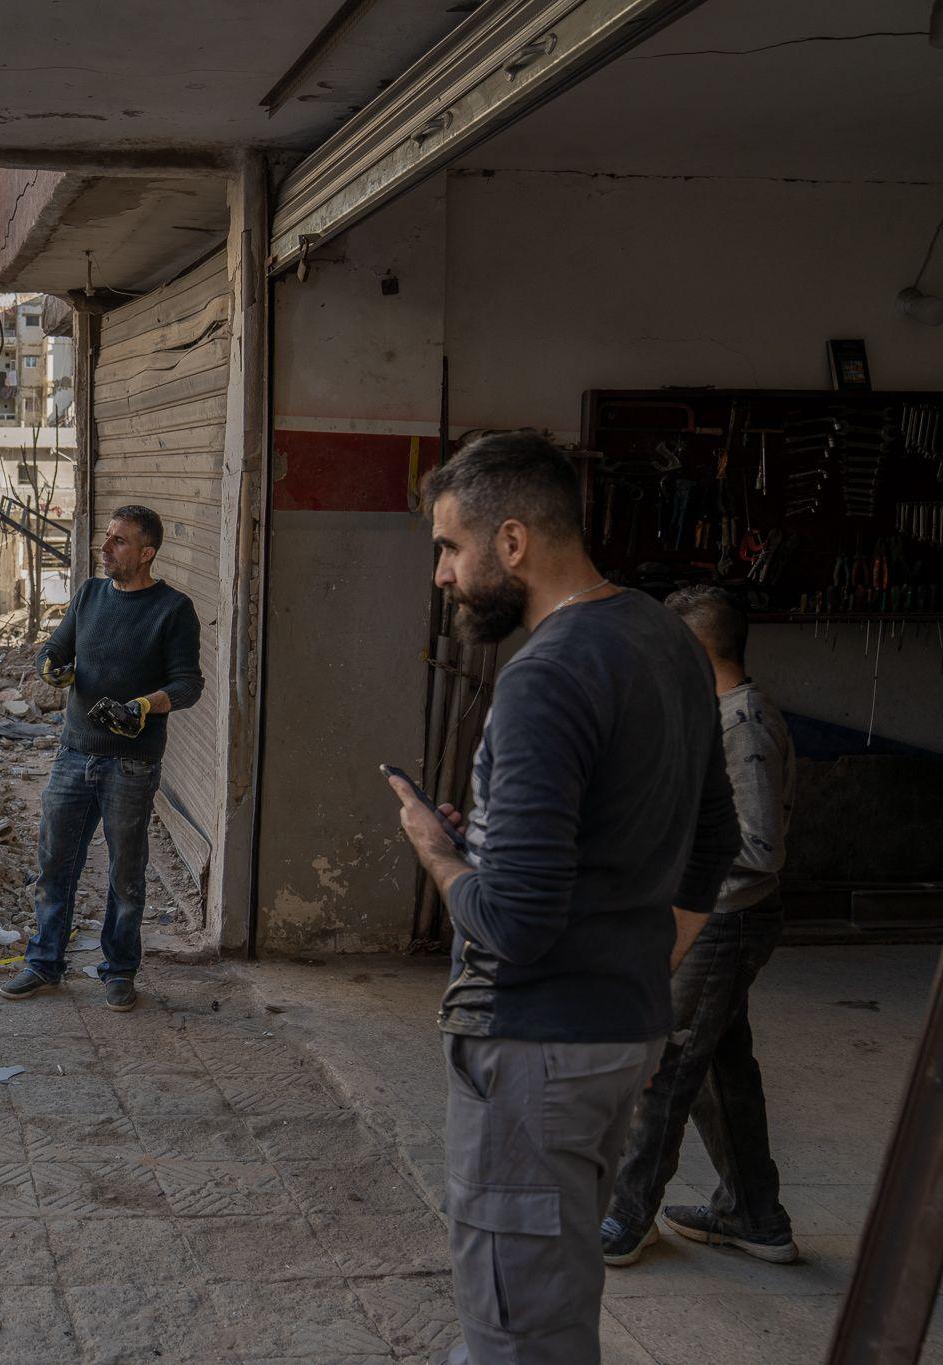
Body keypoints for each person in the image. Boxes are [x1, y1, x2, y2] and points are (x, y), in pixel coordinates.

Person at [388, 432, 740, 1365]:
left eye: (450, 548)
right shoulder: (667, 638)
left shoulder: (545, 677)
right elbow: (714, 843)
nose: (442, 575)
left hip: (536, 1049)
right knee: (543, 1301)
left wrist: (438, 854)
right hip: (617, 1031)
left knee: (519, 1335)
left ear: (512, 543)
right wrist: (639, 953)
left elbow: (516, 924)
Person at [600, 584, 798, 1266]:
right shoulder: (719, 712)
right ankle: (754, 1213)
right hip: (716, 918)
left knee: (667, 1066)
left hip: (726, 921)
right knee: (721, 1069)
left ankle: (626, 1216)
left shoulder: (743, 724)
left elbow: (762, 848)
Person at [0, 505, 202, 1012]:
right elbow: (56, 648)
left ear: (146, 553)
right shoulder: (89, 595)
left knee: (125, 874)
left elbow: (188, 684)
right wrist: (53, 669)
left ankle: (118, 970)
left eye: (118, 542)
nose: (104, 549)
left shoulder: (173, 610)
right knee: (54, 864)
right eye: (106, 538)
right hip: (74, 754)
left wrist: (143, 706)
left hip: (131, 765)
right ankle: (45, 963)